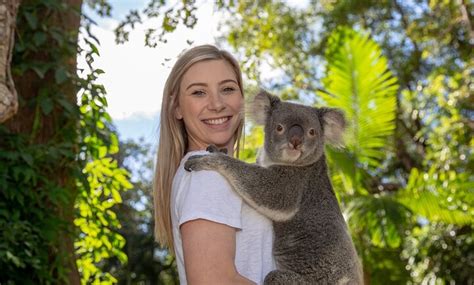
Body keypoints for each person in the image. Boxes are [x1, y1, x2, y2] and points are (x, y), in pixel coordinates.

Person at [153, 45, 275, 285]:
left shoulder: (217, 172)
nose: (217, 104)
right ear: (176, 107)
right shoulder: (207, 172)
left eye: (227, 89)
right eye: (199, 92)